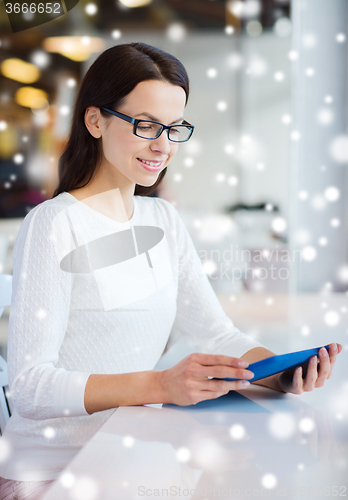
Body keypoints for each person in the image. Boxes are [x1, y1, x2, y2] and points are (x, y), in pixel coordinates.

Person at [0, 42, 342, 500]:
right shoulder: (53, 224)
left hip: (130, 457)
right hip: (57, 472)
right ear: (95, 120)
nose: (162, 145)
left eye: (174, 128)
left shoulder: (162, 221)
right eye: (145, 126)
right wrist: (159, 384)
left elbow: (217, 336)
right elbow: (28, 387)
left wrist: (278, 373)